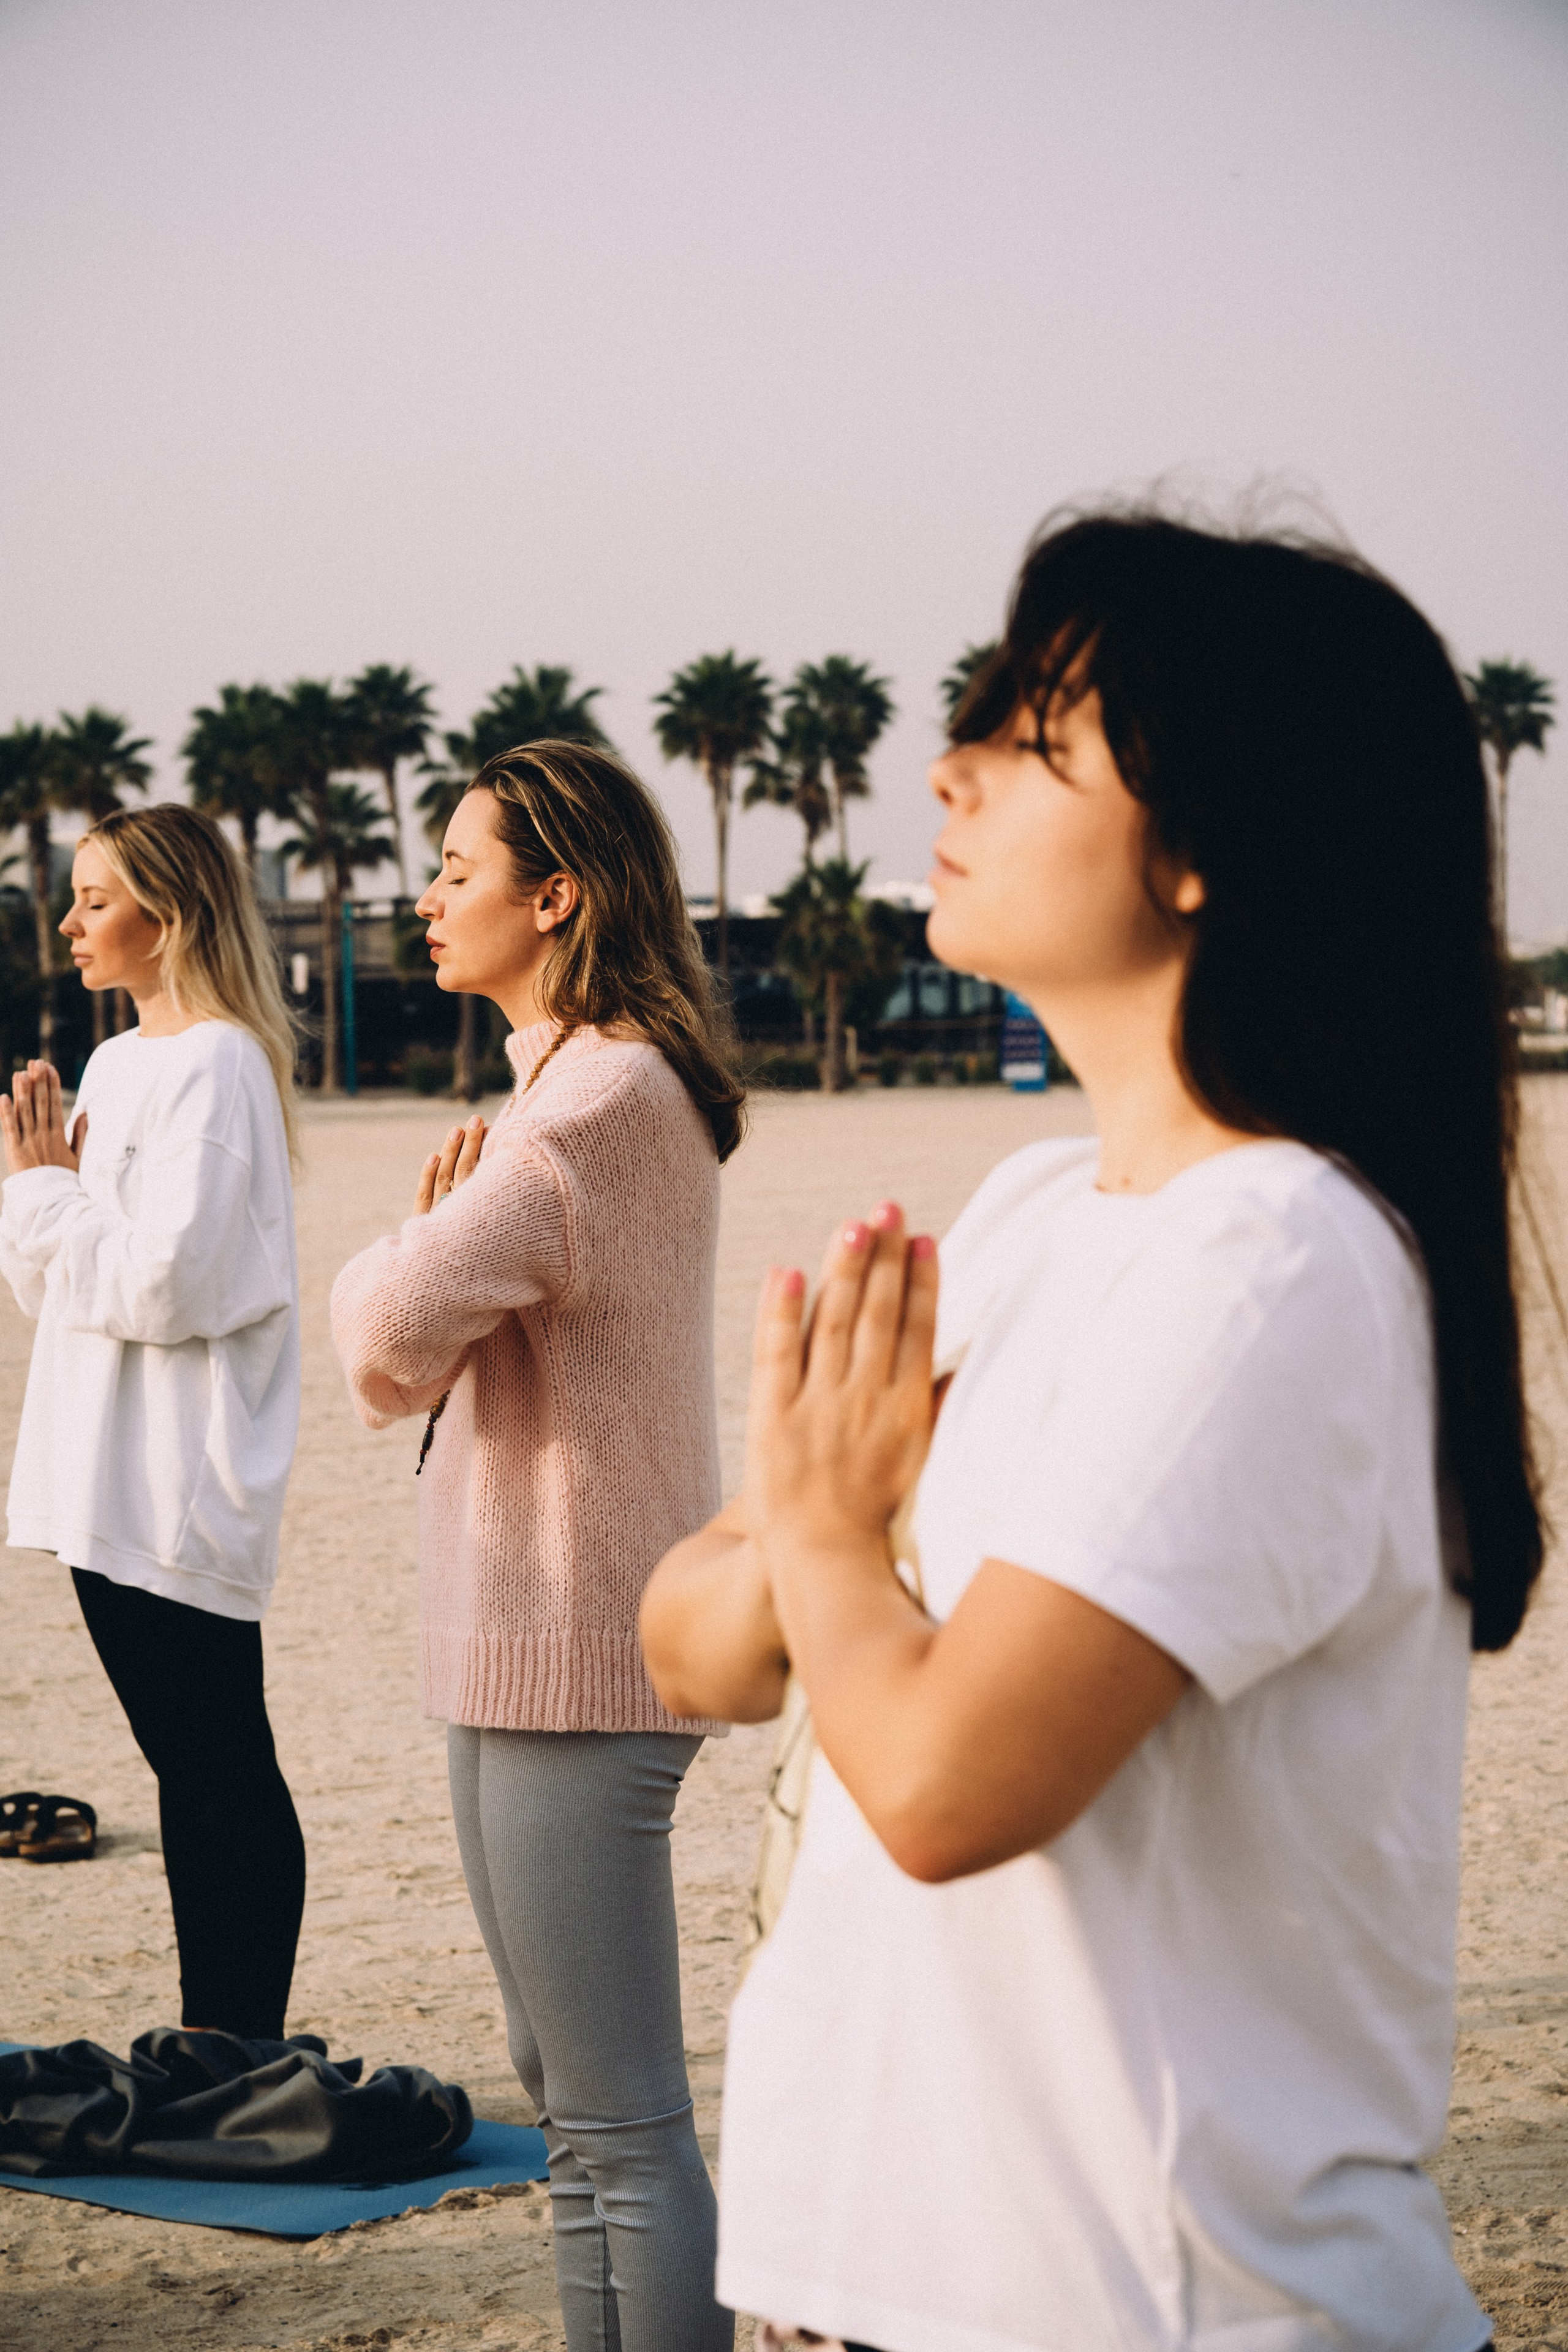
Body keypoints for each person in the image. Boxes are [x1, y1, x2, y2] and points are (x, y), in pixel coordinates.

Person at [640, 513, 1529, 2352]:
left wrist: (825, 1539)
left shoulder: (1277, 1259)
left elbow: (944, 1782)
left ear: (1205, 844)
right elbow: (690, 1649)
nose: (946, 770)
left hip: (1156, 2311)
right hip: (870, 2287)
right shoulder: (1040, 1212)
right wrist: (814, 1547)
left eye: (1032, 740)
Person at [330, 740, 742, 2352]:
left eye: (457, 869)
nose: (428, 897)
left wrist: (411, 1239)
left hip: (582, 1642)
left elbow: (383, 1344)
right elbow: (424, 1350)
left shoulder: (591, 1105)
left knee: (620, 2123)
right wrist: (439, 1247)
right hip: (525, 1634)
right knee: (564, 2096)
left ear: (556, 896)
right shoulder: (562, 1089)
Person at [0, 802, 306, 2040]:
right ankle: (215, 2040)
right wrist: (43, 1199)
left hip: (177, 1474)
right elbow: (49, 1286)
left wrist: (43, 1194)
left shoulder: (219, 1064)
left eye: (95, 901)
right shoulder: (122, 1062)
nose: (69, 925)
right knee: (188, 1763)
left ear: (168, 917)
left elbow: (167, 1284)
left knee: (217, 1759)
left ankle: (235, 2043)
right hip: (96, 1470)